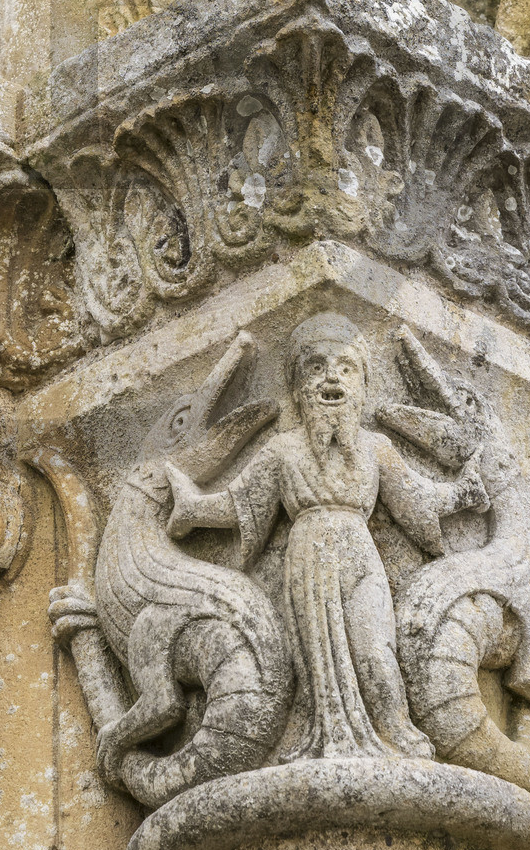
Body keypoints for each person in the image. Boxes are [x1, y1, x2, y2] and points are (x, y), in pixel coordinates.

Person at [164, 313, 486, 759]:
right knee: (316, 657)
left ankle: (394, 726)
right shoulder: (284, 448)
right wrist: (194, 509)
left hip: (360, 551)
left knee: (376, 647)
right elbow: (245, 502)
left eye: (346, 368)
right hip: (309, 554)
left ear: (363, 388)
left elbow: (416, 497)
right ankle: (324, 733)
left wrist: (460, 495)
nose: (330, 377)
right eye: (315, 368)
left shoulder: (376, 447)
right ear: (296, 390)